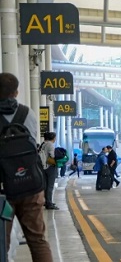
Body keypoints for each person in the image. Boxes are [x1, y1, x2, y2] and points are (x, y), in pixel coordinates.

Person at [0, 72, 53, 261]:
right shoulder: (28, 113)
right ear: (16, 92)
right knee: (38, 240)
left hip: (3, 190)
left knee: (1, 243)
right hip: (30, 186)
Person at [40, 131, 59, 210]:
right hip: (50, 167)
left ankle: (47, 201)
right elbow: (52, 155)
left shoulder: (43, 144)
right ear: (53, 138)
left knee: (46, 185)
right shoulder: (50, 145)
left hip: (43, 167)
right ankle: (49, 203)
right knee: (50, 186)